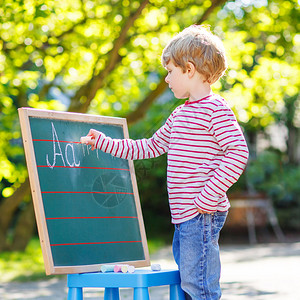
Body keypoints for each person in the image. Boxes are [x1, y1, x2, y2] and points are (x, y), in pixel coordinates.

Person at [84, 25, 249, 299]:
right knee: (189, 284)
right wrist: (103, 142)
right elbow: (149, 146)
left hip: (202, 214)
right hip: (185, 216)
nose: (166, 78)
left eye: (170, 71)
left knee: (200, 287)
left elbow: (238, 152)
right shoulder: (179, 115)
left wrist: (208, 196)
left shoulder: (216, 110)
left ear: (189, 69)